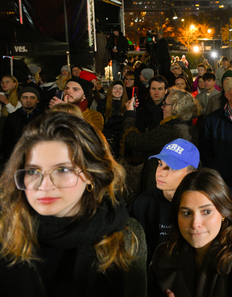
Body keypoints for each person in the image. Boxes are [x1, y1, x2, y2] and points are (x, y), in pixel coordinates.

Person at [0, 112, 147, 296]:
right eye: (33, 171)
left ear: (91, 174)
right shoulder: (6, 230)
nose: (44, 186)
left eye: (62, 170)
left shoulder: (125, 238)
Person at [148, 168, 232, 297]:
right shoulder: (163, 256)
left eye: (206, 212)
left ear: (223, 213)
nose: (195, 224)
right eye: (187, 213)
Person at [131, 138, 199, 264]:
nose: (160, 173)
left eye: (172, 168)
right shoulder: (144, 203)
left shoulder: (200, 205)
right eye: (160, 164)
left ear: (191, 174)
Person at [123, 88, 199, 193]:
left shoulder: (169, 130)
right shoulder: (191, 128)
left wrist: (130, 114)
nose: (162, 107)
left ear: (176, 108)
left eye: (166, 104)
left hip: (159, 187)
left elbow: (133, 141)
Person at [2, 87, 43, 162]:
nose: (28, 100)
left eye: (32, 97)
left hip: (39, 157)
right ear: (19, 99)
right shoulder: (12, 117)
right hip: (16, 159)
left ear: (38, 100)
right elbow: (6, 142)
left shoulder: (44, 116)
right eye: (25, 97)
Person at [98, 80, 128, 156]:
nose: (118, 90)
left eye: (120, 88)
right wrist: (122, 119)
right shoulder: (103, 103)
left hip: (123, 141)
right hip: (108, 139)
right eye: (115, 88)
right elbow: (103, 123)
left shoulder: (127, 104)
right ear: (111, 89)